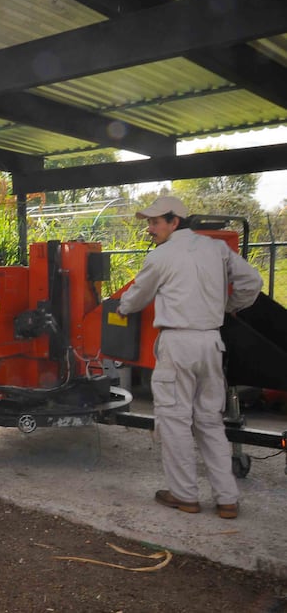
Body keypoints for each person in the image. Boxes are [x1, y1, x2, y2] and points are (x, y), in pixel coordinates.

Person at [118, 195, 262, 519]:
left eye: (155, 222)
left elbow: (135, 299)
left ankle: (184, 496)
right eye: (149, 223)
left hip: (177, 345)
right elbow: (252, 282)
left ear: (175, 222)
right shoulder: (216, 249)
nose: (150, 229)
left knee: (174, 420)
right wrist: (226, 308)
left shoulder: (162, 256)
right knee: (210, 420)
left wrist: (121, 308)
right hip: (212, 342)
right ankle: (227, 499)